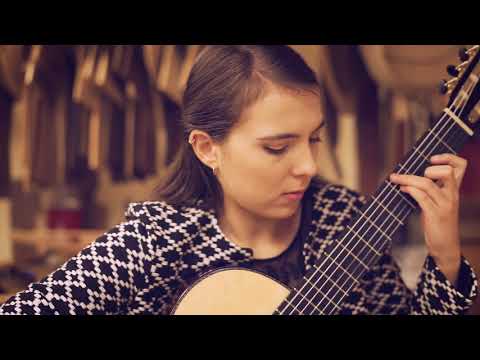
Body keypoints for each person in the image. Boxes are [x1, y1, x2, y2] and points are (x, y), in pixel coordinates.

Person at [0, 45, 477, 315]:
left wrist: (446, 261)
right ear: (208, 148)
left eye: (314, 139)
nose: (309, 166)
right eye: (277, 146)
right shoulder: (155, 242)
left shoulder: (345, 220)